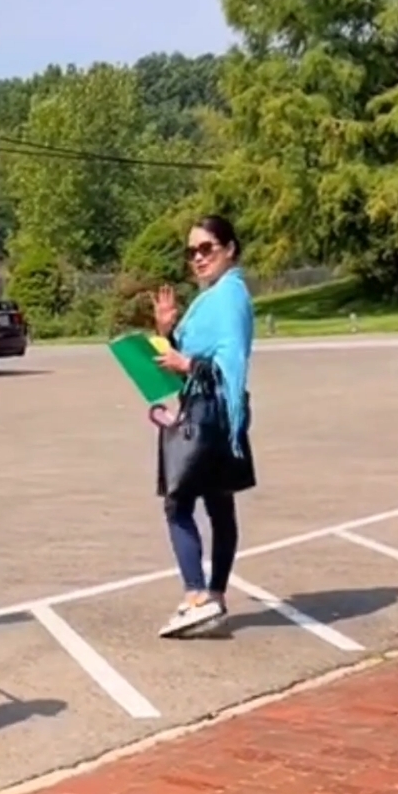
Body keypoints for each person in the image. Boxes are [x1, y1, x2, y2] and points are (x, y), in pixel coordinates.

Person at [152, 214, 255, 638]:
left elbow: (230, 362)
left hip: (211, 413)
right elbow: (185, 360)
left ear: (229, 248)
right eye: (191, 252)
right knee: (218, 505)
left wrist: (187, 362)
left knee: (178, 502)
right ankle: (215, 597)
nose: (197, 258)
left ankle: (198, 596)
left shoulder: (229, 297)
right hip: (214, 411)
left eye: (206, 248)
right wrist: (166, 330)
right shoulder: (209, 299)